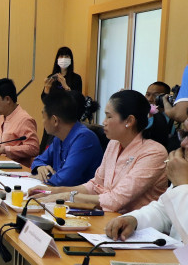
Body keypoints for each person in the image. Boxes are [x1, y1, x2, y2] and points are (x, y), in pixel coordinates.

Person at [28, 90, 168, 213]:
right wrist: (53, 191)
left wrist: (66, 196)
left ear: (129, 121)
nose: (103, 122)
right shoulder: (114, 144)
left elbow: (116, 199)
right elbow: (95, 185)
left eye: (109, 116)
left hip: (137, 227)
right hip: (108, 217)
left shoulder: (154, 153)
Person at [106, 123, 188, 242]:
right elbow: (163, 212)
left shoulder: (154, 152)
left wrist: (182, 186)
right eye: (184, 134)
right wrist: (134, 220)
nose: (183, 143)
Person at [30, 90, 103, 186]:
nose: (42, 121)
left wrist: (43, 177)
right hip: (59, 192)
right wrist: (40, 167)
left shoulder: (84, 138)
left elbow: (64, 180)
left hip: (79, 194)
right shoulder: (59, 138)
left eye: (43, 117)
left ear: (55, 121)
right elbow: (38, 160)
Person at [40, 47, 85, 149]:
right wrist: (47, 88)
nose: (64, 59)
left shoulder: (76, 78)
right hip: (52, 118)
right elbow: (45, 101)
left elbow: (77, 100)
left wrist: (66, 86)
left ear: (71, 59)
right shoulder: (52, 77)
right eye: (61, 56)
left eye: (66, 56)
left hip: (67, 120)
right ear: (57, 59)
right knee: (46, 148)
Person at [144, 81, 175, 150]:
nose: (149, 99)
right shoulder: (141, 116)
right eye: (148, 94)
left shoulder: (172, 119)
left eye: (155, 95)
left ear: (165, 98)